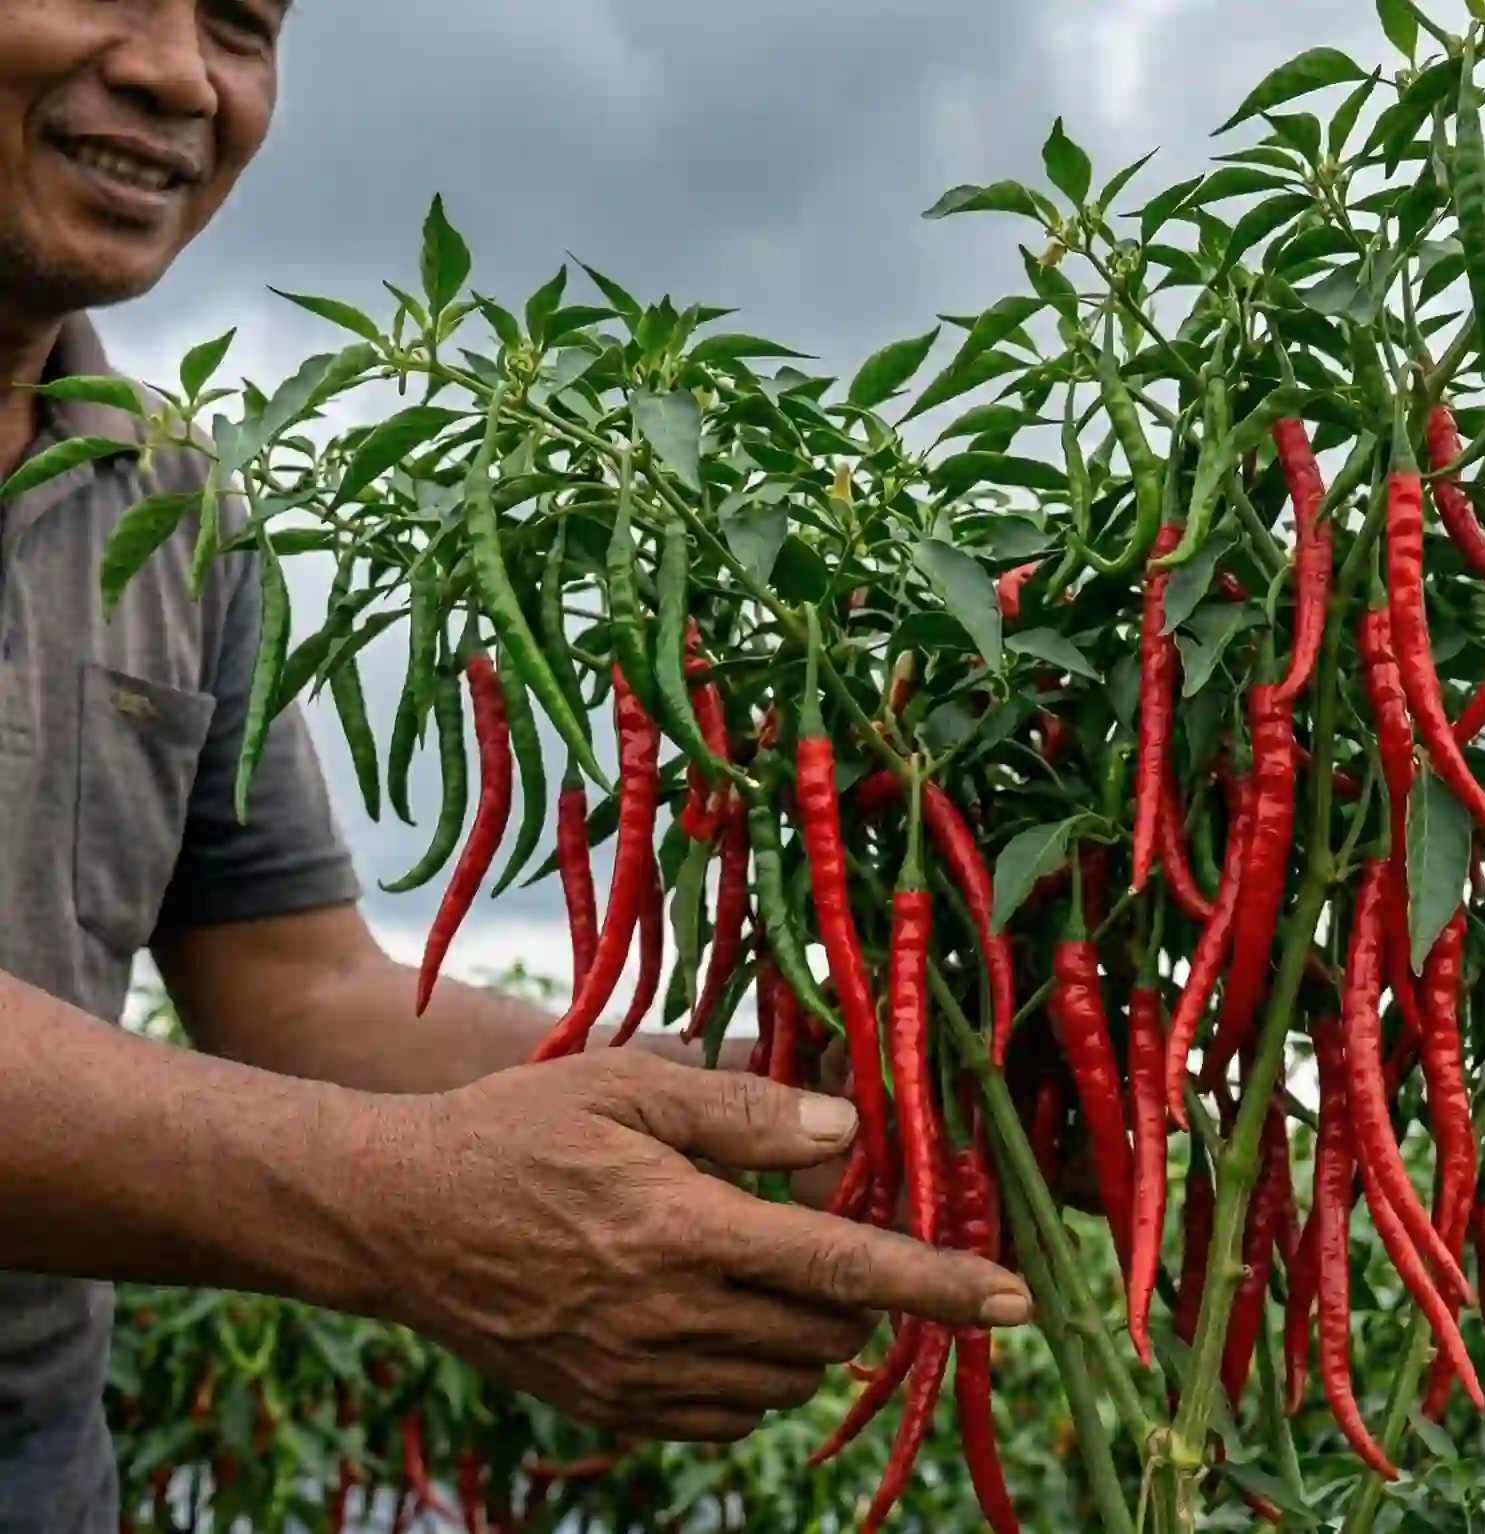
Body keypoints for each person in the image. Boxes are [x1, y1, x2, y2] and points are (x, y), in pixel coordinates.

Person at [0, 4, 1031, 1528]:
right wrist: (406, 1205)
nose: (176, 72)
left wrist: (788, 1099)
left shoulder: (173, 507)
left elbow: (299, 992)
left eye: (241, 24)